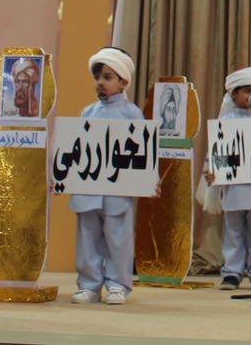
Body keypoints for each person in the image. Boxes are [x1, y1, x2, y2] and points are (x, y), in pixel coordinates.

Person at [70, 47, 146, 306]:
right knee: (87, 238)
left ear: (123, 82)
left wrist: (149, 179)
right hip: (88, 189)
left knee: (118, 238)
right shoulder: (87, 113)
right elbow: (75, 150)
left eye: (107, 77)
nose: (100, 83)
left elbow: (143, 151)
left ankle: (117, 284)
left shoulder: (132, 114)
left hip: (117, 190)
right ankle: (89, 285)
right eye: (97, 78)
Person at [205, 67, 251, 291]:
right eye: (247, 90)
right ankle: (232, 273)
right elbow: (216, 154)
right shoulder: (225, 122)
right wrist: (211, 170)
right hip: (235, 187)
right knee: (233, 231)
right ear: (234, 94)